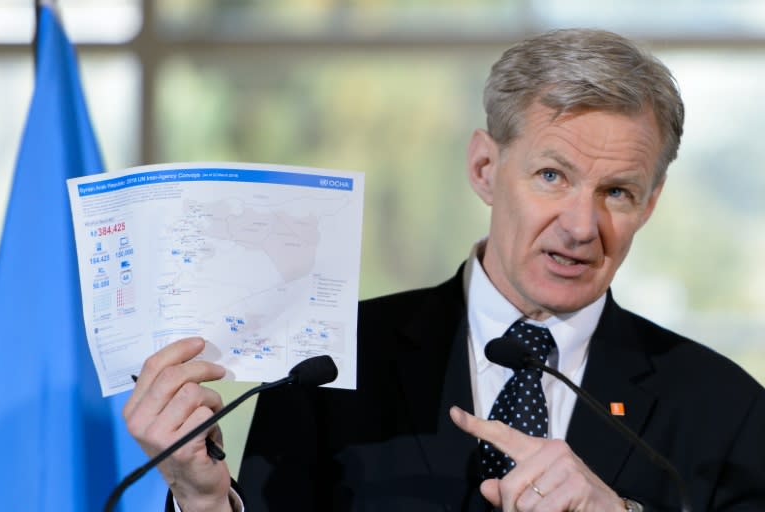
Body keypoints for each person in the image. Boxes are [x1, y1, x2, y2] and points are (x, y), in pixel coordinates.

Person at [124, 28, 765, 511]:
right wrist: (201, 497)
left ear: (649, 204)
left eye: (617, 192)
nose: (580, 225)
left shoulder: (725, 407)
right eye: (552, 176)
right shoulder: (328, 364)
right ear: (485, 170)